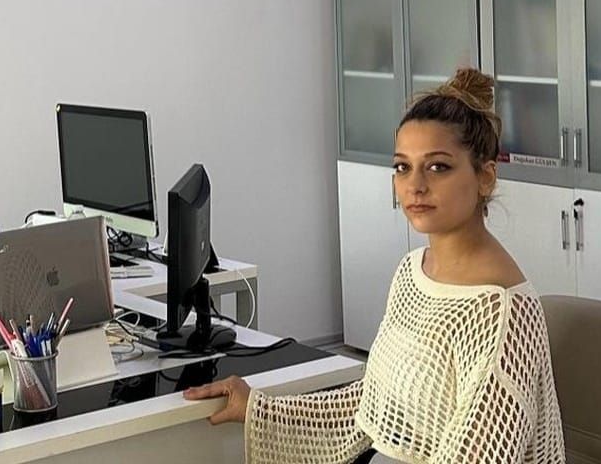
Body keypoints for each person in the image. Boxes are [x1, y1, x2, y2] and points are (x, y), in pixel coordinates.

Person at [184, 68, 565, 463]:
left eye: (438, 167)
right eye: (402, 167)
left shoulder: (503, 311)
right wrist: (259, 408)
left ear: (485, 177)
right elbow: (378, 402)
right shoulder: (412, 271)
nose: (415, 185)